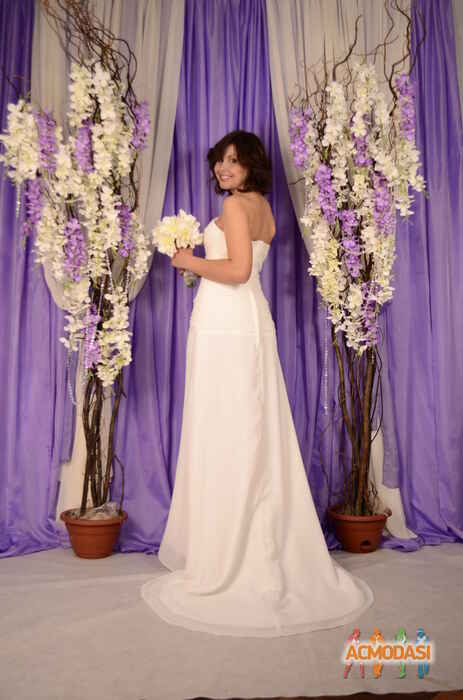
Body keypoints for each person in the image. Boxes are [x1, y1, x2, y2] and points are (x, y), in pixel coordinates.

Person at [140, 130, 374, 637]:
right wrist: (200, 262)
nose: (224, 168)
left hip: (226, 325)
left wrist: (186, 261)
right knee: (252, 432)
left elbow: (238, 270)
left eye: (235, 161)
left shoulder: (234, 206)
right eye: (220, 160)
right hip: (250, 323)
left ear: (250, 166)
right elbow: (244, 265)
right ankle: (255, 538)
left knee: (226, 431)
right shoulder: (263, 206)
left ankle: (229, 551)